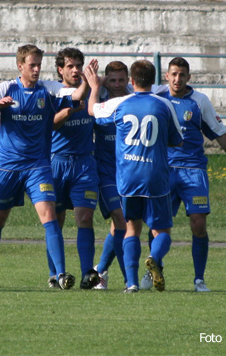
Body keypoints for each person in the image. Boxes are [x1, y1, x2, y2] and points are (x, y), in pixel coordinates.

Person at [0, 44, 95, 289]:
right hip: (8, 168)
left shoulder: (48, 89)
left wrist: (89, 81)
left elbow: (74, 96)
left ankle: (60, 275)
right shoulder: (7, 88)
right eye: (33, 65)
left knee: (49, 216)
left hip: (38, 166)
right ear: (21, 66)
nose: (37, 69)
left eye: (40, 64)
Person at [139, 57, 226, 292]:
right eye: (173, 74)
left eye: (182, 75)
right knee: (158, 226)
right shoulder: (157, 99)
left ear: (189, 77)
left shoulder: (199, 101)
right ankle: (152, 271)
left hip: (194, 173)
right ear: (167, 76)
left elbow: (220, 133)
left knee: (198, 224)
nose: (177, 79)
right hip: (164, 172)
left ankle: (199, 279)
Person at [86, 60, 183, 293]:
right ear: (154, 80)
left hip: (128, 177)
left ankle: (131, 284)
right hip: (155, 176)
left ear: (131, 81)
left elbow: (92, 110)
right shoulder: (164, 104)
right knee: (162, 231)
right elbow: (177, 139)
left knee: (131, 229)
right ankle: (154, 257)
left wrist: (93, 88)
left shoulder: (120, 103)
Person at [47, 48, 100, 290]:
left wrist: (97, 82)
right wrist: (70, 109)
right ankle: (56, 274)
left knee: (85, 218)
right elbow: (51, 125)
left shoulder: (92, 88)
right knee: (55, 220)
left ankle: (88, 272)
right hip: (56, 163)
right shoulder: (52, 92)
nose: (76, 70)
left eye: (79, 65)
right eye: (70, 66)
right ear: (60, 70)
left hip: (84, 163)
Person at [93, 61, 133, 290]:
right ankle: (129, 279)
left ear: (128, 80)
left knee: (119, 226)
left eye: (121, 80)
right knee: (120, 220)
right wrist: (96, 85)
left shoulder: (134, 101)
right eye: (112, 80)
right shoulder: (98, 101)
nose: (117, 85)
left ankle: (100, 271)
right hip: (105, 172)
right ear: (105, 80)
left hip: (130, 173)